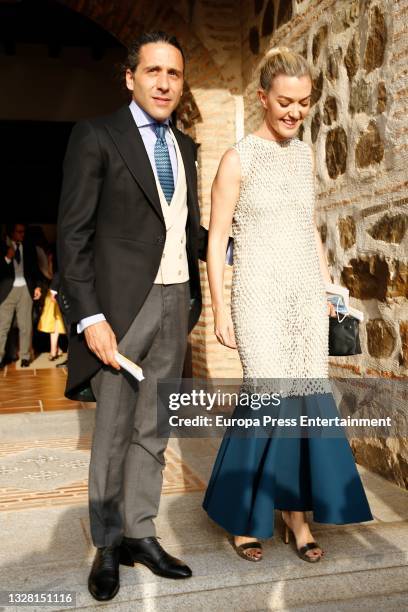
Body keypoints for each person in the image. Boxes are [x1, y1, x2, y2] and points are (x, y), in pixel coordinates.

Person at [202, 47, 373, 563]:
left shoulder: (302, 155)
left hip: (302, 294)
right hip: (256, 294)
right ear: (261, 98)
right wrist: (219, 308)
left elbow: (308, 228)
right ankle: (244, 518)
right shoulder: (237, 158)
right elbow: (215, 241)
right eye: (284, 102)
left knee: (304, 401)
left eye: (303, 102)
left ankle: (298, 522)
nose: (294, 112)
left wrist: (327, 289)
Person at [57, 31, 204, 602]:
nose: (165, 82)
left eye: (174, 74)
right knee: (113, 433)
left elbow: (182, 228)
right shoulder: (96, 136)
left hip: (174, 302)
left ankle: (143, 533)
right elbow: (73, 236)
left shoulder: (186, 147)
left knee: (152, 431)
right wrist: (88, 316)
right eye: (153, 71)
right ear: (130, 78)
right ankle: (108, 542)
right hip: (119, 311)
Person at [0, 223, 42, 368]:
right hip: (7, 290)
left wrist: (37, 286)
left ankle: (25, 356)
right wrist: (7, 258)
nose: (22, 235)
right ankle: (0, 357)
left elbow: (34, 268)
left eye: (23, 232)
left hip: (25, 288)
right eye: (19, 232)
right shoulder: (3, 246)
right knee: (2, 326)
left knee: (26, 326)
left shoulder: (28, 247)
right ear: (12, 233)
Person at [37, 252, 66, 360]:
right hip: (53, 293)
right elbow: (50, 275)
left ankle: (54, 350)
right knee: (53, 322)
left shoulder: (60, 260)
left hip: (58, 292)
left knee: (57, 322)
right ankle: (55, 349)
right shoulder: (50, 260)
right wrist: (49, 262)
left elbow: (53, 275)